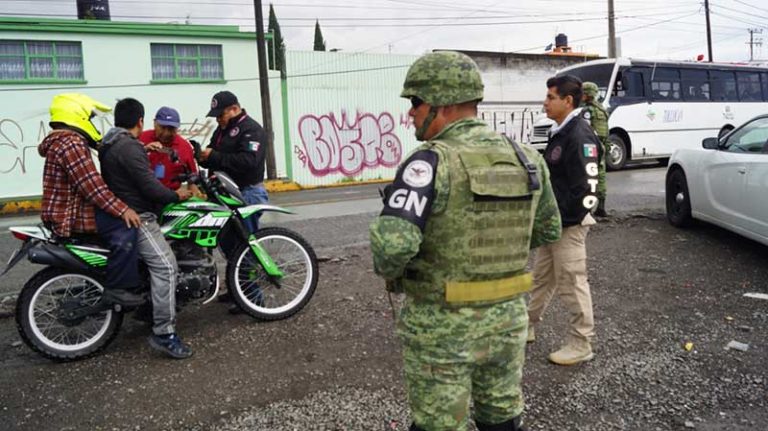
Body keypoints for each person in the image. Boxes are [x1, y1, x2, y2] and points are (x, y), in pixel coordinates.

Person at [370, 51, 561, 431]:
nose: (410, 113)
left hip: (442, 330)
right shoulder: (525, 157)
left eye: (414, 102)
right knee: (502, 416)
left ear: (440, 104)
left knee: (440, 423)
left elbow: (390, 250)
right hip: (508, 321)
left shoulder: (428, 162)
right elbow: (547, 231)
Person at [99, 97, 193, 359]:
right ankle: (165, 333)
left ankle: (149, 309)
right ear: (141, 121)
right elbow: (149, 186)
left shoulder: (111, 143)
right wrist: (178, 195)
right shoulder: (129, 147)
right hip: (139, 217)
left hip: (125, 211)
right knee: (166, 267)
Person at [38, 93, 143, 306]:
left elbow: (101, 148)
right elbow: (93, 187)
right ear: (78, 115)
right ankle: (118, 288)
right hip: (70, 214)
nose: (92, 123)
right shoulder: (72, 144)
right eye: (91, 118)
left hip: (63, 209)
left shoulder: (61, 140)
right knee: (127, 227)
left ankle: (104, 278)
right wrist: (123, 210)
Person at [527, 75, 600, 366]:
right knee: (542, 278)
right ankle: (526, 325)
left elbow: (588, 185)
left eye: (550, 97)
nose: (545, 102)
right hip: (554, 222)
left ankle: (581, 343)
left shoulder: (579, 134)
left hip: (568, 224)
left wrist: (567, 220)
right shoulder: (561, 131)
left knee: (572, 282)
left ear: (567, 101)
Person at [199, 90, 268, 232]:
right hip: (225, 192)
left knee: (244, 243)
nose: (218, 120)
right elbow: (214, 155)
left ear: (234, 109)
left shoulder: (251, 129)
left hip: (247, 192)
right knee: (226, 240)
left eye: (220, 115)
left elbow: (248, 161)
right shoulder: (221, 130)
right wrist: (202, 157)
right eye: (215, 116)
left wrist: (214, 156)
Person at [139, 106, 201, 196]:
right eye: (163, 128)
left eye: (171, 129)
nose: (166, 133)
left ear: (177, 128)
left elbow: (192, 180)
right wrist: (144, 150)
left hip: (171, 198)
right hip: (142, 196)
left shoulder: (185, 147)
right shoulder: (141, 138)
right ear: (154, 123)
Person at [581, 81, 609, 217]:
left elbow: (585, 130)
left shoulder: (587, 110)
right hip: (602, 146)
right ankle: (601, 207)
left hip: (591, 146)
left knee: (589, 175)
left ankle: (588, 209)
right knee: (601, 176)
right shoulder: (602, 109)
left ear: (586, 95)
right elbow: (606, 131)